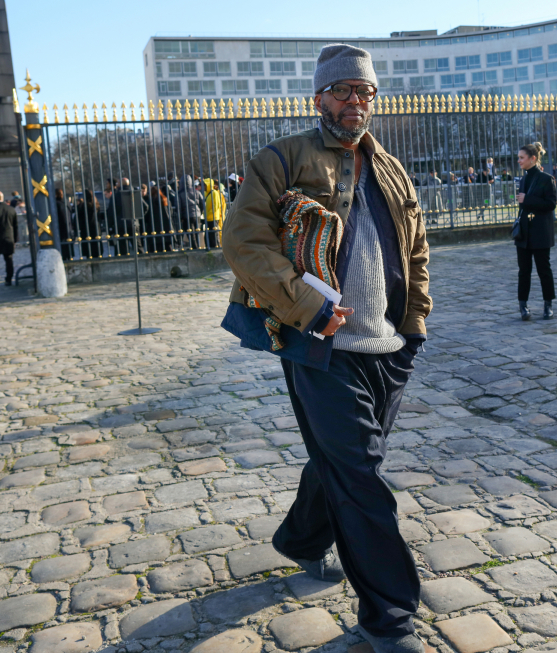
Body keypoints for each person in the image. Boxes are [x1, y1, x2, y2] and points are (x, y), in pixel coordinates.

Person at [222, 44, 431, 653]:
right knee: (361, 475)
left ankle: (302, 539)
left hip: (387, 346)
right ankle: (388, 617)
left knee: (340, 462)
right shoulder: (281, 159)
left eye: (364, 92)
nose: (355, 102)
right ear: (319, 98)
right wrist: (308, 309)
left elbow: (417, 251)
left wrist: (414, 328)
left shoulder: (390, 167)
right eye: (342, 90)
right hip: (319, 346)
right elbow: (243, 240)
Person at [514, 142, 557, 321]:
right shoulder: (523, 179)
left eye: (522, 158)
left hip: (541, 231)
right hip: (524, 232)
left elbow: (551, 204)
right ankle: (523, 305)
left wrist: (528, 199)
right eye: (518, 158)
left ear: (533, 158)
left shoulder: (547, 179)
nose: (519, 161)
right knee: (524, 271)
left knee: (543, 270)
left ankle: (548, 304)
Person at [176, 174, 205, 249]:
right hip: (197, 214)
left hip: (186, 215)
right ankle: (198, 246)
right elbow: (202, 204)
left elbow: (178, 207)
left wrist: (180, 217)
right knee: (197, 231)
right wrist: (200, 212)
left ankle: (194, 247)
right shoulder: (197, 192)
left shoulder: (180, 193)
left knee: (190, 233)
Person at [76, 190, 101, 259]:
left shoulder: (83, 205)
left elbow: (78, 217)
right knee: (96, 246)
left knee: (88, 248)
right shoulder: (96, 204)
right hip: (95, 227)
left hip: (86, 228)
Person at [202, 178, 226, 248]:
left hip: (213, 217)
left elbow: (216, 206)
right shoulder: (208, 194)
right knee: (209, 236)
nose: (203, 187)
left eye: (205, 185)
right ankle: (211, 247)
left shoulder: (214, 193)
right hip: (209, 218)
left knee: (214, 236)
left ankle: (216, 247)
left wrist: (208, 213)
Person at [54, 188, 73, 260]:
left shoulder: (57, 203)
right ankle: (69, 256)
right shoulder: (65, 202)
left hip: (62, 226)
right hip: (68, 225)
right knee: (68, 243)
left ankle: (65, 257)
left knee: (64, 244)